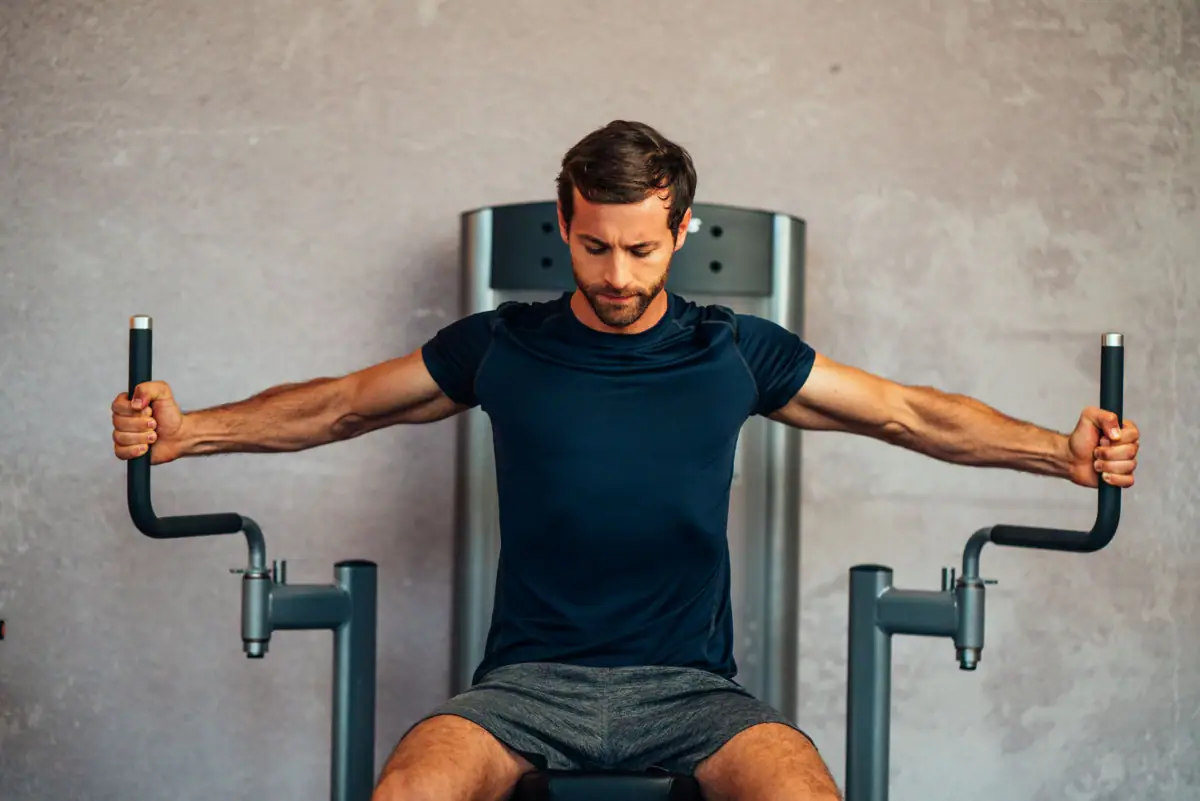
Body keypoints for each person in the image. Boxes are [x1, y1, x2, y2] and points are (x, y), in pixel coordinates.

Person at [110, 120, 1141, 801]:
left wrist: (1060, 454)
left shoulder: (733, 349)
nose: (615, 273)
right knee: (412, 789)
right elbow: (338, 407)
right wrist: (189, 429)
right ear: (566, 223)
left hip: (692, 690)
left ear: (681, 229)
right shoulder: (501, 347)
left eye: (642, 249)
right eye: (595, 246)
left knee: (801, 791)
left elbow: (911, 415)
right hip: (524, 687)